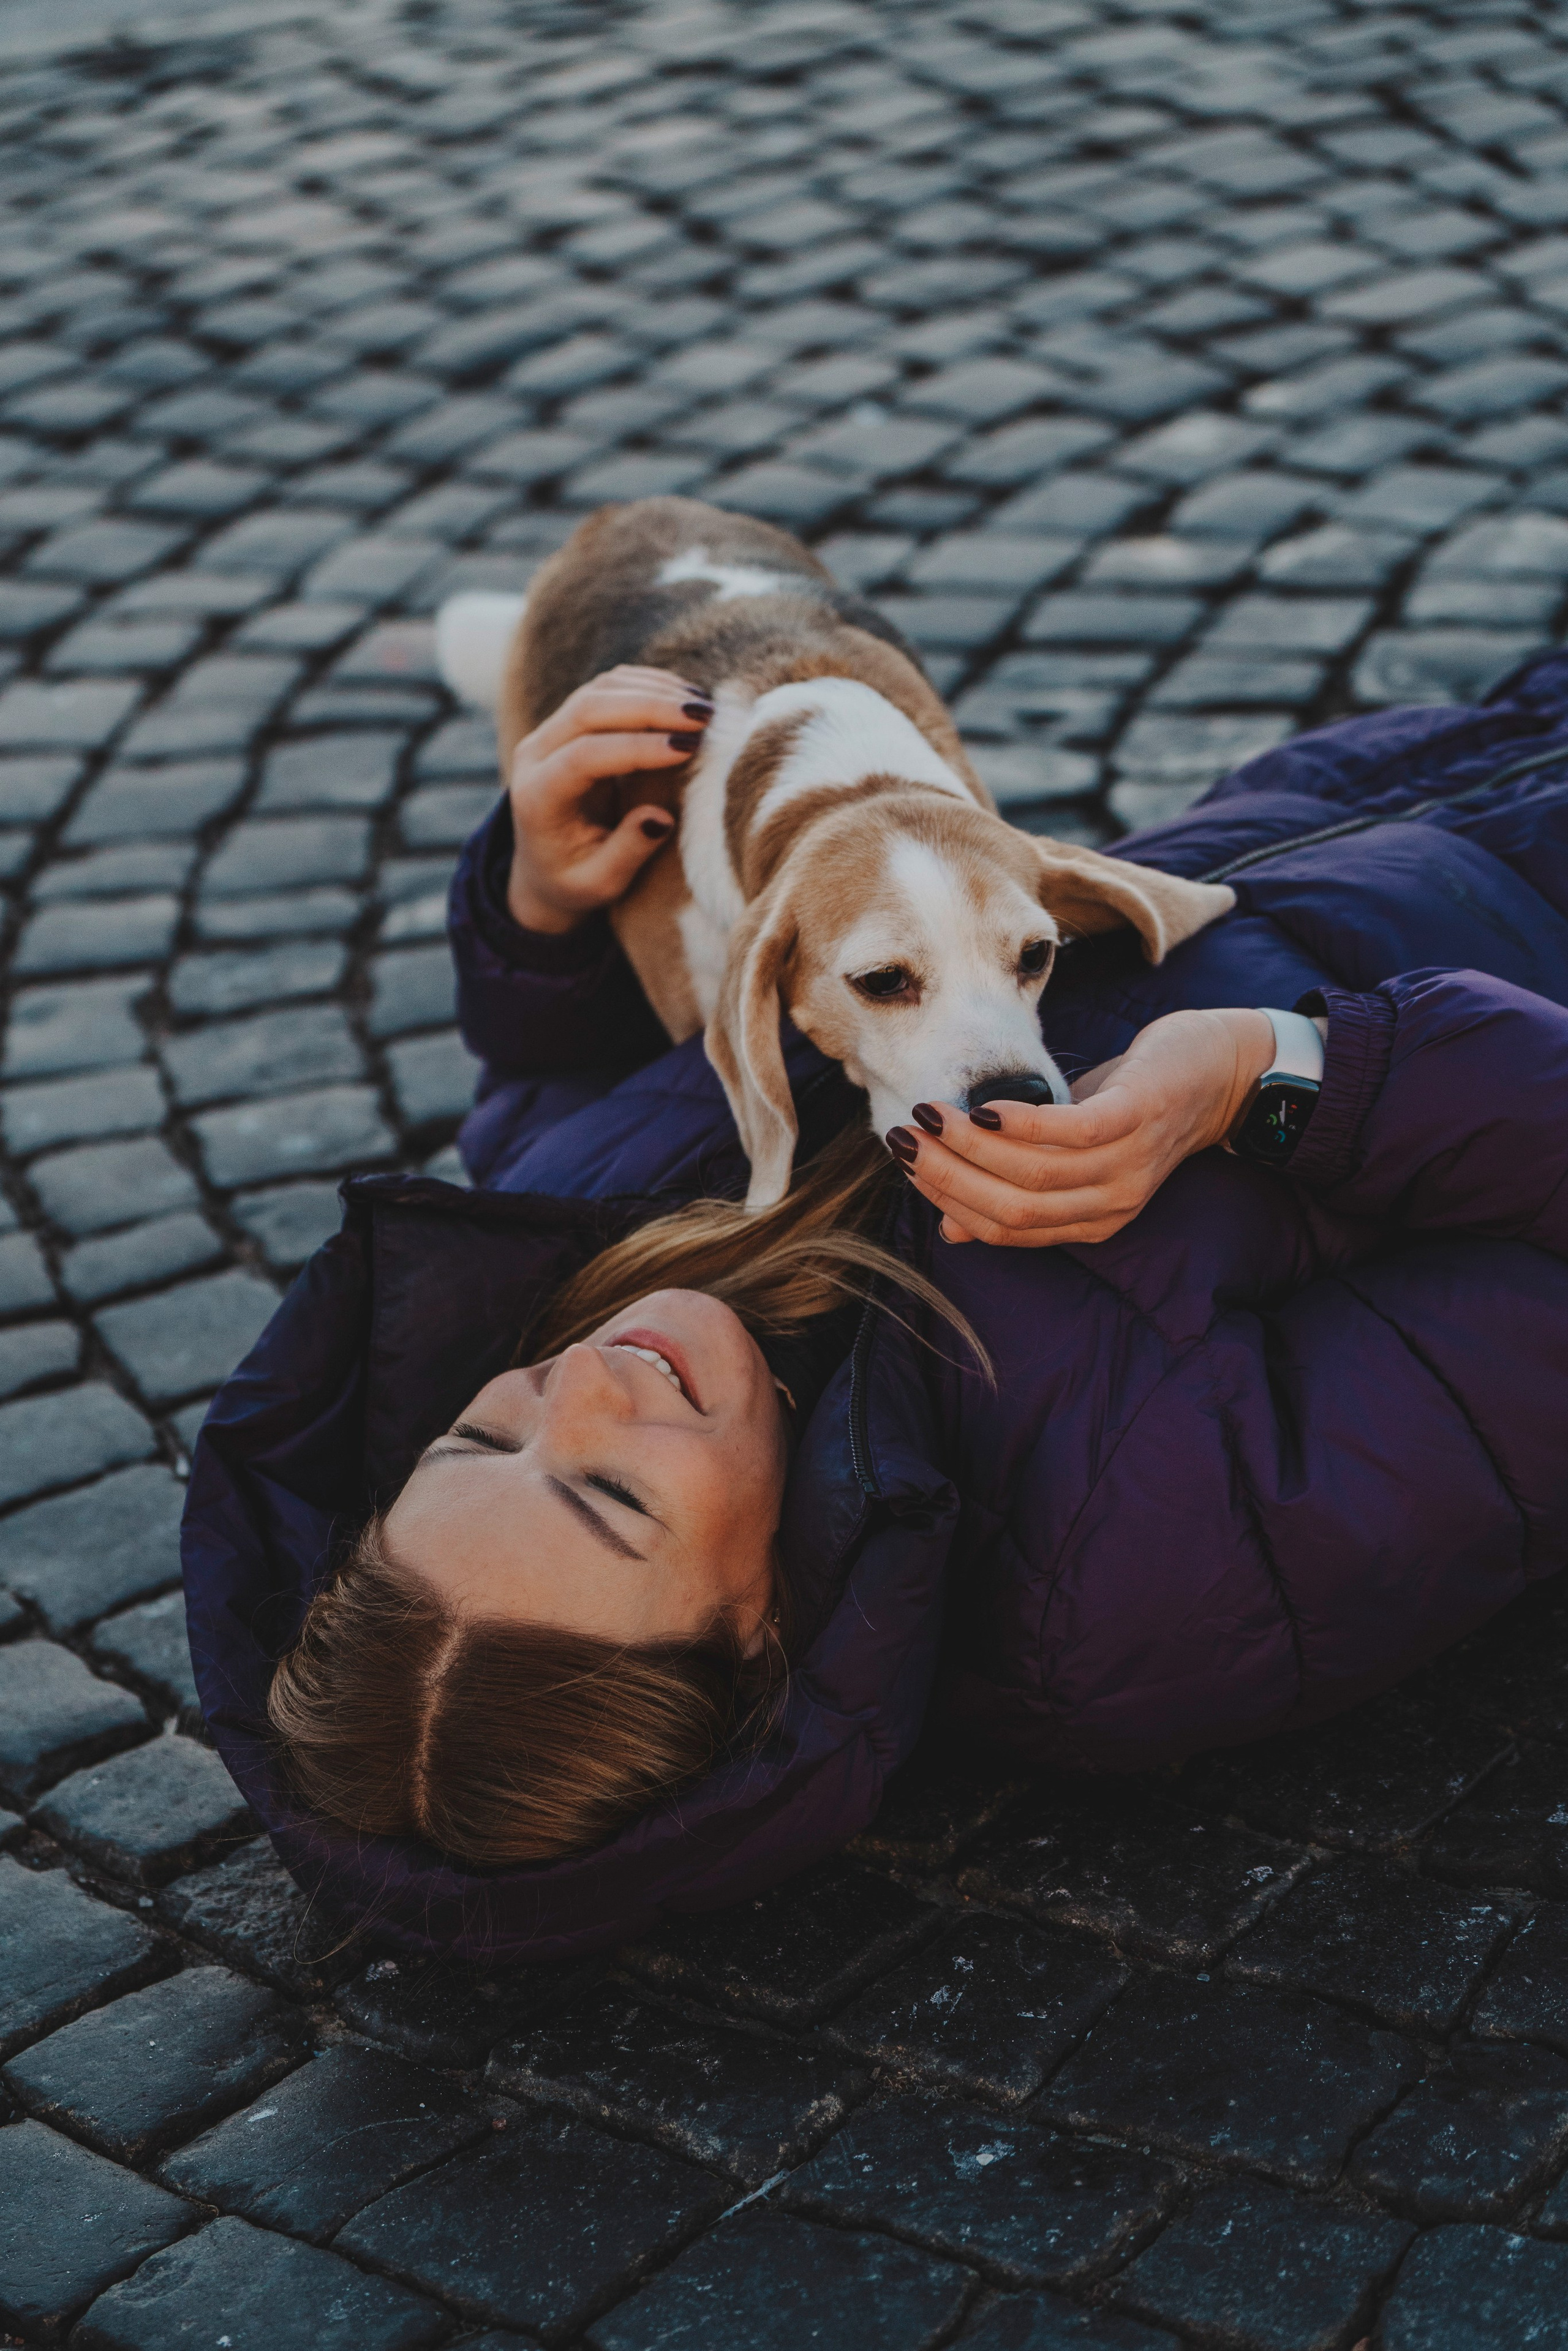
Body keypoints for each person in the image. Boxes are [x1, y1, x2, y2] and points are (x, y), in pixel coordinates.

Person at [184, 649, 1568, 1961]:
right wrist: (1275, 1080)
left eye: (478, 1441)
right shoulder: (1130, 1569)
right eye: (610, 1496)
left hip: (1408, 770)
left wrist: (540, 915)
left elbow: (552, 1114)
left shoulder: (576, 1276)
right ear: (755, 1636)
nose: (586, 1381)